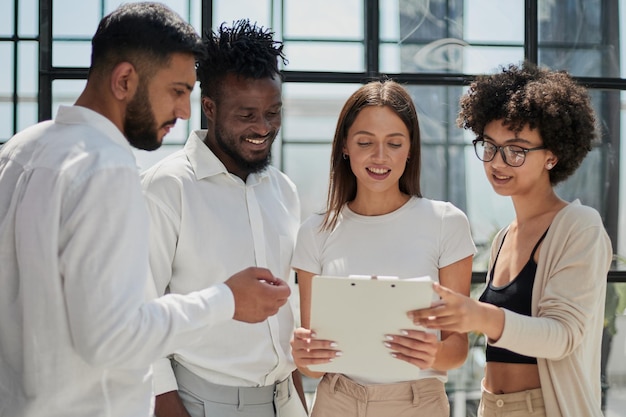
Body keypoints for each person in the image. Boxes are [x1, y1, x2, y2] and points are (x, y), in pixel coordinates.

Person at [0, 4, 291, 417]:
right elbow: (111, 336)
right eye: (176, 91)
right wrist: (226, 299)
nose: (184, 111)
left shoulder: (19, 150)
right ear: (124, 80)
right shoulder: (105, 167)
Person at [410, 62, 613, 417]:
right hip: (491, 405)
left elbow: (562, 336)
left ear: (552, 155)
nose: (497, 163)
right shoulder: (505, 237)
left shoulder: (579, 226)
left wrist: (479, 316)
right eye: (489, 146)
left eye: (516, 150)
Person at [140, 19, 308, 417]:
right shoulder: (165, 189)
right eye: (247, 114)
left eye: (273, 112)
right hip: (199, 402)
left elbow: (284, 314)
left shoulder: (284, 192)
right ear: (210, 108)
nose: (263, 128)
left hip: (282, 400)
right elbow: (140, 317)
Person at [290, 79, 476, 417]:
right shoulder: (315, 232)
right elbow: (314, 367)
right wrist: (305, 358)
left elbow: (458, 348)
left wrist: (429, 352)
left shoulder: (446, 223)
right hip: (337, 401)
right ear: (345, 146)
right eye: (365, 142)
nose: (380, 156)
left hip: (417, 402)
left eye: (394, 143)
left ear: (410, 149)